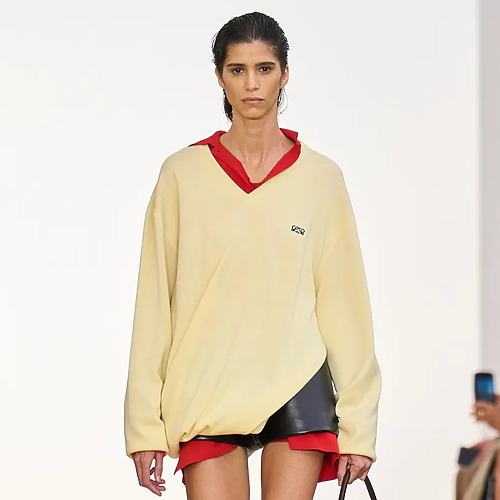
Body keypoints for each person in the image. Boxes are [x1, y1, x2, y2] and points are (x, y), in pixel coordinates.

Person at [123, 11, 382, 499]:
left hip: (296, 376)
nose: (251, 84)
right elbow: (155, 302)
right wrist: (144, 426)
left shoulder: (321, 179)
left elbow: (345, 306)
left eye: (264, 68)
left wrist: (359, 428)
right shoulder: (182, 175)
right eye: (237, 69)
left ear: (285, 74)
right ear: (219, 77)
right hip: (206, 380)